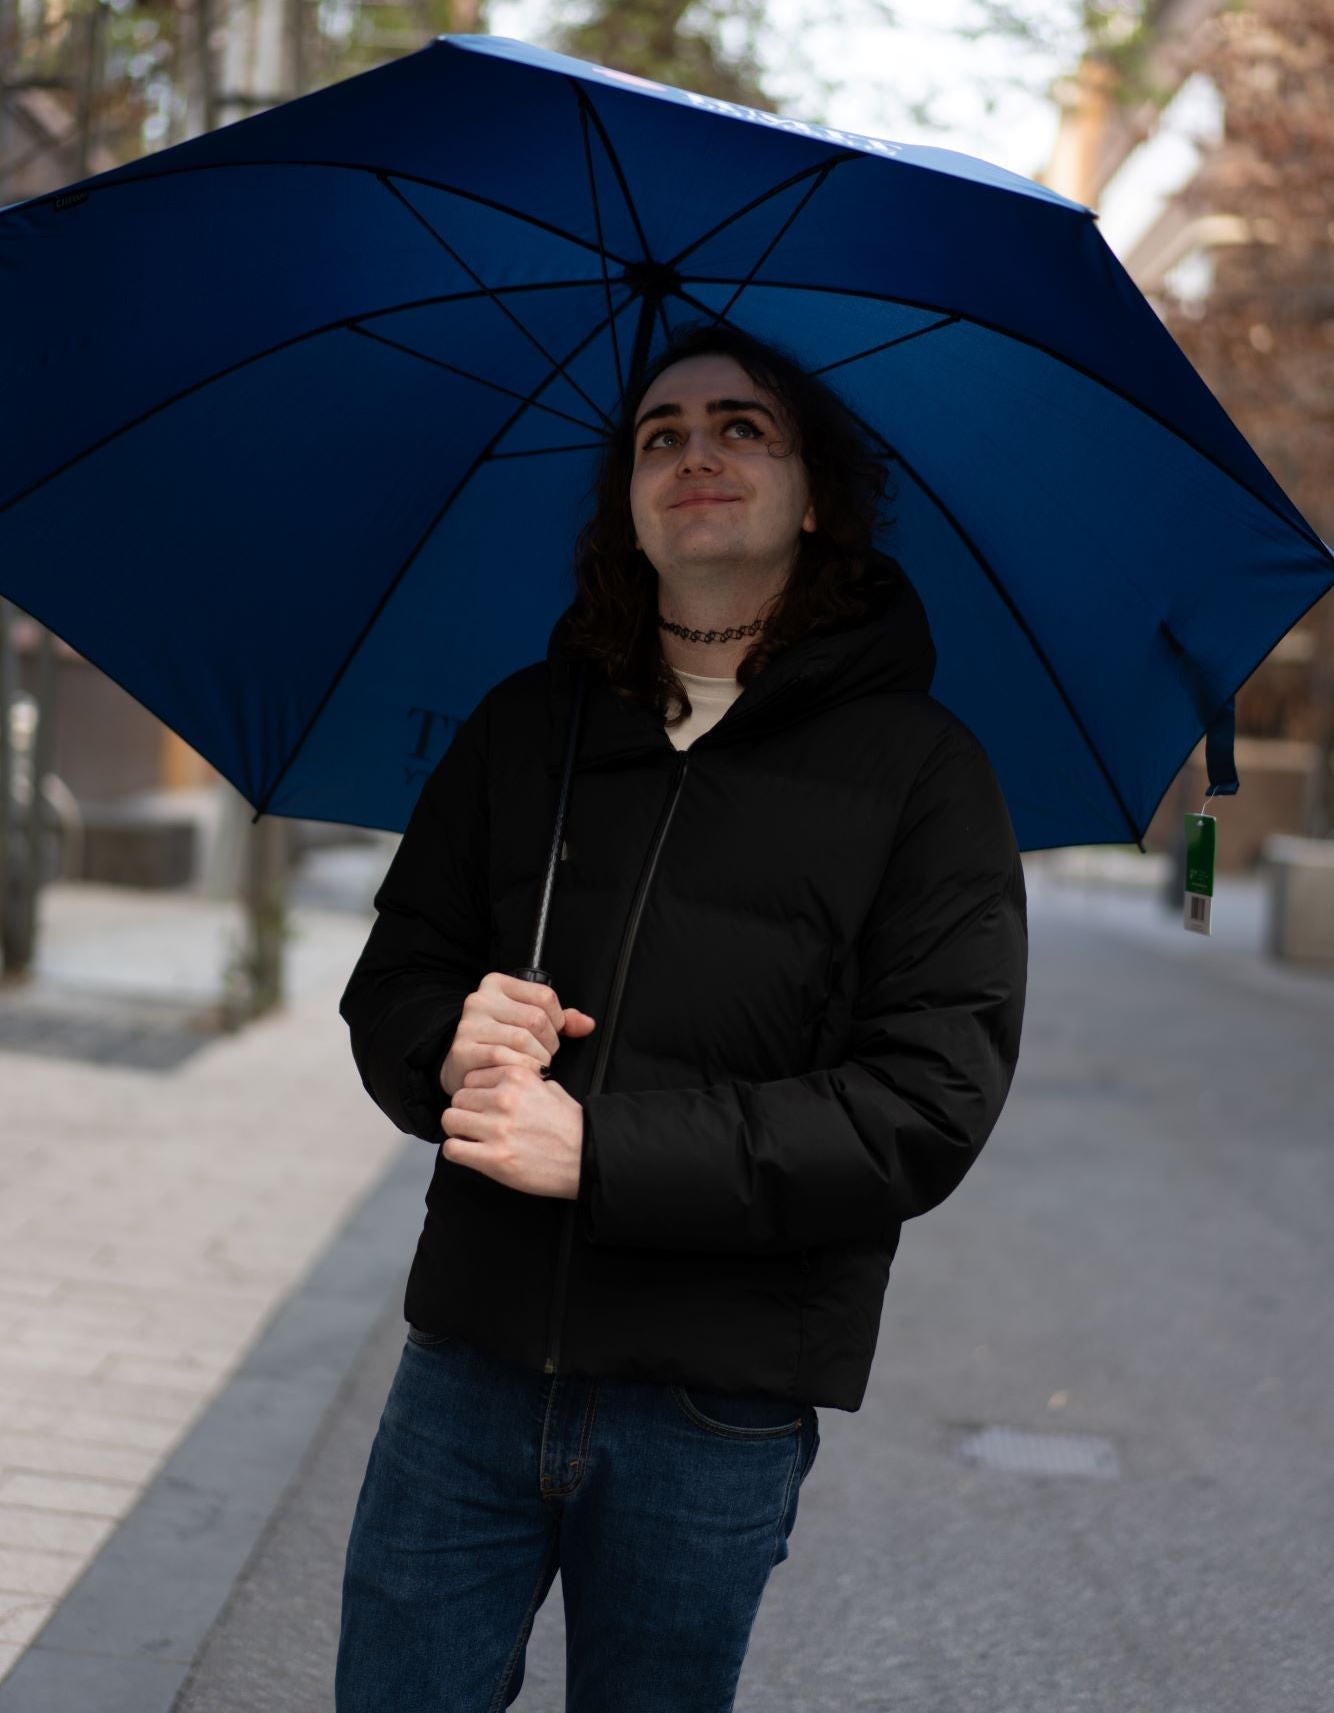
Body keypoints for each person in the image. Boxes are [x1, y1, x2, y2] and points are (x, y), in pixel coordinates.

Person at [334, 319, 1028, 1711]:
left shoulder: (922, 774)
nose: (695, 453)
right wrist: (445, 1041)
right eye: (661, 434)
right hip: (470, 1358)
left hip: (717, 1398)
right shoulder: (528, 729)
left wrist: (600, 1153)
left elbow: (925, 1105)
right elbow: (394, 979)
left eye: (741, 427)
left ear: (815, 497)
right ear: (630, 507)